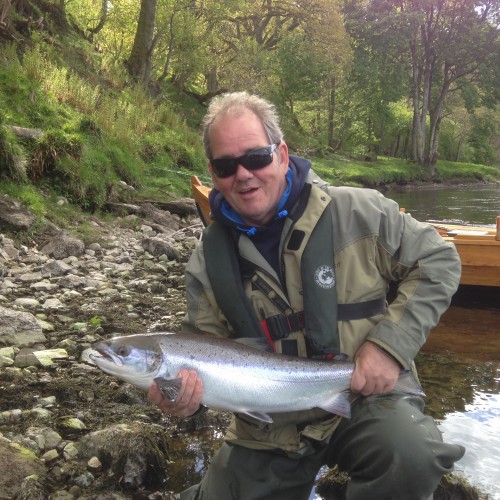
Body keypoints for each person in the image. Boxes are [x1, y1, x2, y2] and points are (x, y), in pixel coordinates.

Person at [148, 91, 465, 499]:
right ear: (213, 173)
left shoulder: (359, 212)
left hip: (365, 395)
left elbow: (439, 261)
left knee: (411, 453)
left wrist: (390, 347)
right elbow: (200, 348)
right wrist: (185, 400)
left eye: (256, 157)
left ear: (281, 154)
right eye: (227, 165)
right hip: (267, 426)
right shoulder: (206, 263)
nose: (243, 174)